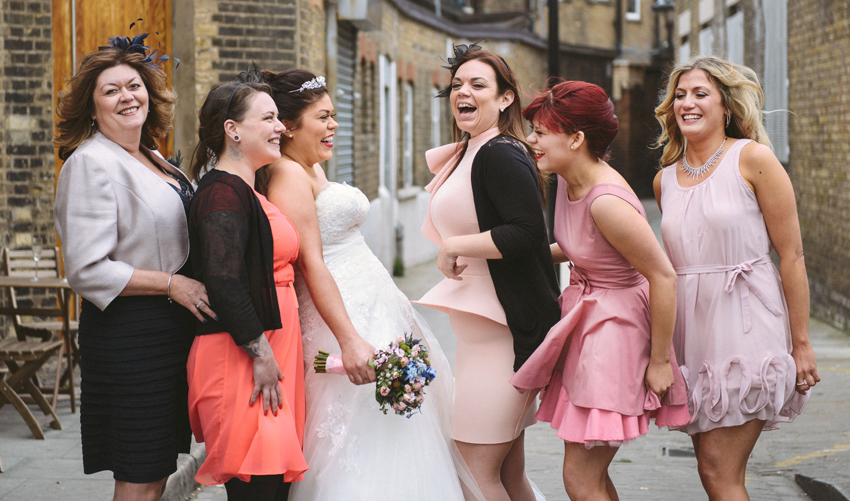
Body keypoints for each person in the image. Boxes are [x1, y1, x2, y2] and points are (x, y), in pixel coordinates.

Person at [256, 69, 475, 501]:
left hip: (374, 304)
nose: (334, 125)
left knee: (399, 430)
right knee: (360, 432)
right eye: (323, 117)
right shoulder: (288, 176)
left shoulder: (311, 168)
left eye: (334, 115)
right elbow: (311, 263)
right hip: (342, 317)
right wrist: (350, 340)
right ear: (290, 125)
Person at [510, 80, 691, 500]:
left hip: (615, 333)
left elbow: (663, 275)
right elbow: (583, 246)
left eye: (540, 132)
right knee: (588, 475)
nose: (531, 140)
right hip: (590, 324)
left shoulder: (605, 200)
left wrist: (660, 362)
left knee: (580, 477)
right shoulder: (568, 179)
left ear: (575, 139)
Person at [653, 56, 819, 500]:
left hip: (746, 326)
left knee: (718, 470)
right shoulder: (664, 180)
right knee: (710, 473)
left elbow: (793, 256)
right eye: (680, 95)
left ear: (726, 105)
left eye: (700, 94)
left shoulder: (753, 159)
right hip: (690, 335)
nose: (686, 103)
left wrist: (800, 343)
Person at [53, 36, 210, 501]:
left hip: (168, 332)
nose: (127, 97)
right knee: (140, 475)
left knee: (157, 468)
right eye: (111, 90)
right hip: (131, 337)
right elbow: (85, 270)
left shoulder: (152, 156)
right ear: (91, 106)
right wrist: (172, 284)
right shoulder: (90, 164)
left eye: (134, 85)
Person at [416, 44, 561, 501]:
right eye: (458, 84)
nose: (464, 91)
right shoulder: (471, 150)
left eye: (478, 84)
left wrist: (459, 244)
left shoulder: (500, 152)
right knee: (508, 476)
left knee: (474, 473)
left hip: (504, 338)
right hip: (479, 341)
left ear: (504, 99)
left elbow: (527, 233)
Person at [185, 72, 307, 501]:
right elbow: (222, 280)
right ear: (232, 130)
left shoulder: (247, 189)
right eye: (269, 118)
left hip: (265, 357)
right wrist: (260, 354)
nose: (280, 127)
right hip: (242, 360)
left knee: (272, 486)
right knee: (259, 488)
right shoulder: (223, 194)